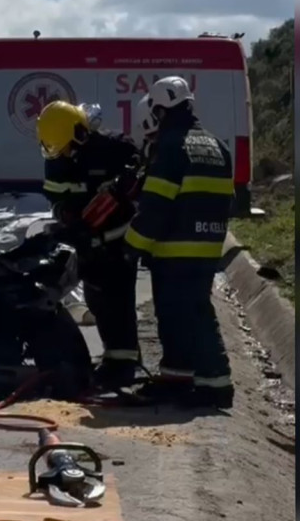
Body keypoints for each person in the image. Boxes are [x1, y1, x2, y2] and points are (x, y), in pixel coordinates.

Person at [124, 76, 235, 409]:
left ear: (160, 110)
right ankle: (177, 379)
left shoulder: (171, 146)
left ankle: (216, 385)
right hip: (207, 245)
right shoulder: (218, 145)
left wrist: (132, 246)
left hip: (174, 249)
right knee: (187, 313)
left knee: (186, 316)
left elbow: (156, 205)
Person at [36, 100, 144, 390]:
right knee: (97, 301)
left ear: (81, 134)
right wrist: (67, 217)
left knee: (118, 301)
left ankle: (124, 366)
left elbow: (140, 195)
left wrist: (119, 198)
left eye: (69, 147)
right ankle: (115, 358)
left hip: (118, 239)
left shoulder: (115, 149)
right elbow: (55, 199)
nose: (65, 155)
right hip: (84, 240)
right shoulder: (57, 156)